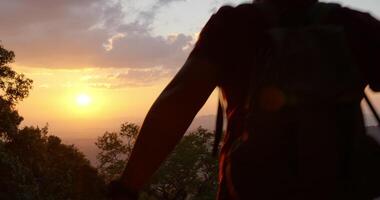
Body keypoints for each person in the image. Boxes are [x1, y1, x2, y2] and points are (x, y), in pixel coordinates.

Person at [109, 0, 380, 199]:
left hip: (249, 189)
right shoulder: (355, 26)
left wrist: (126, 188)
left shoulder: (233, 25)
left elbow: (177, 103)